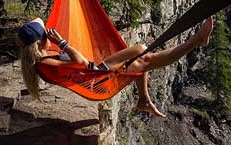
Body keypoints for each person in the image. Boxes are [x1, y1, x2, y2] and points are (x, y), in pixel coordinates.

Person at [18, 17, 213, 118]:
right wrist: (62, 43)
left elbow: (37, 21)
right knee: (144, 58)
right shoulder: (45, 62)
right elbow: (82, 64)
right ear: (41, 42)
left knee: (140, 52)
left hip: (91, 74)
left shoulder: (38, 58)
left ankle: (144, 100)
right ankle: (197, 40)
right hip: (96, 79)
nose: (50, 37)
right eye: (46, 36)